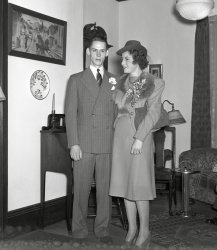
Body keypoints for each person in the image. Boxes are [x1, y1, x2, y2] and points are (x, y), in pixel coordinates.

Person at [109, 40, 166, 249]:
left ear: (137, 59)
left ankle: (144, 230)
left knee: (139, 186)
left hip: (139, 137)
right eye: (122, 59)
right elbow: (114, 110)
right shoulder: (118, 82)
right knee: (126, 185)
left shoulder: (154, 82)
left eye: (126, 59)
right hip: (120, 138)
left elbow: (153, 113)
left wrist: (140, 138)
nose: (122, 62)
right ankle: (132, 228)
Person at [65, 35, 116, 243]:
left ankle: (102, 229)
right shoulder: (76, 79)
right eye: (94, 50)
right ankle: (79, 230)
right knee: (81, 189)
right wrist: (73, 143)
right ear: (88, 52)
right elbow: (70, 114)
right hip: (83, 144)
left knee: (105, 191)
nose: (98, 54)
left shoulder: (114, 81)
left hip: (107, 143)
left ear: (106, 53)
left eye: (101, 51)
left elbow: (117, 113)